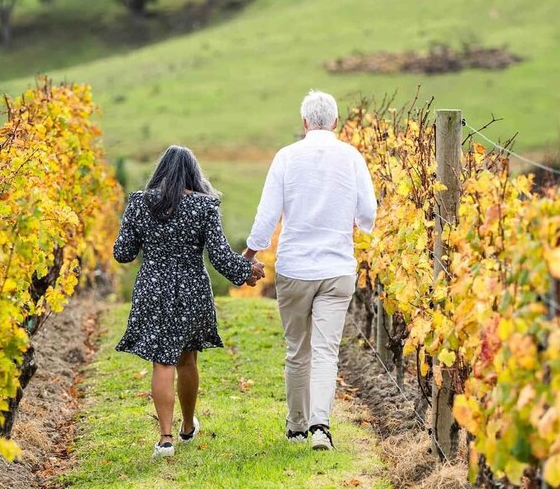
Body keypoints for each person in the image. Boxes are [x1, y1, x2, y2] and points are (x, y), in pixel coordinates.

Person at [244, 90, 377, 451]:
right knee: (325, 350)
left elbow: (267, 216)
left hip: (295, 268)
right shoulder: (351, 157)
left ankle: (296, 426)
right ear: (336, 123)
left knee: (297, 349)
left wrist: (249, 254)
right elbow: (368, 216)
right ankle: (321, 427)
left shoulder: (286, 157)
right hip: (337, 268)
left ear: (304, 123)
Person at [114, 145, 265, 459]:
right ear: (194, 174)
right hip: (191, 288)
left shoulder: (141, 203)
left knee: (162, 361)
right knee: (186, 360)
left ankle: (165, 439)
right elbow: (220, 257)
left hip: (153, 288)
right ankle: (186, 426)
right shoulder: (205, 206)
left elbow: (123, 253)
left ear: (160, 172)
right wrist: (247, 270)